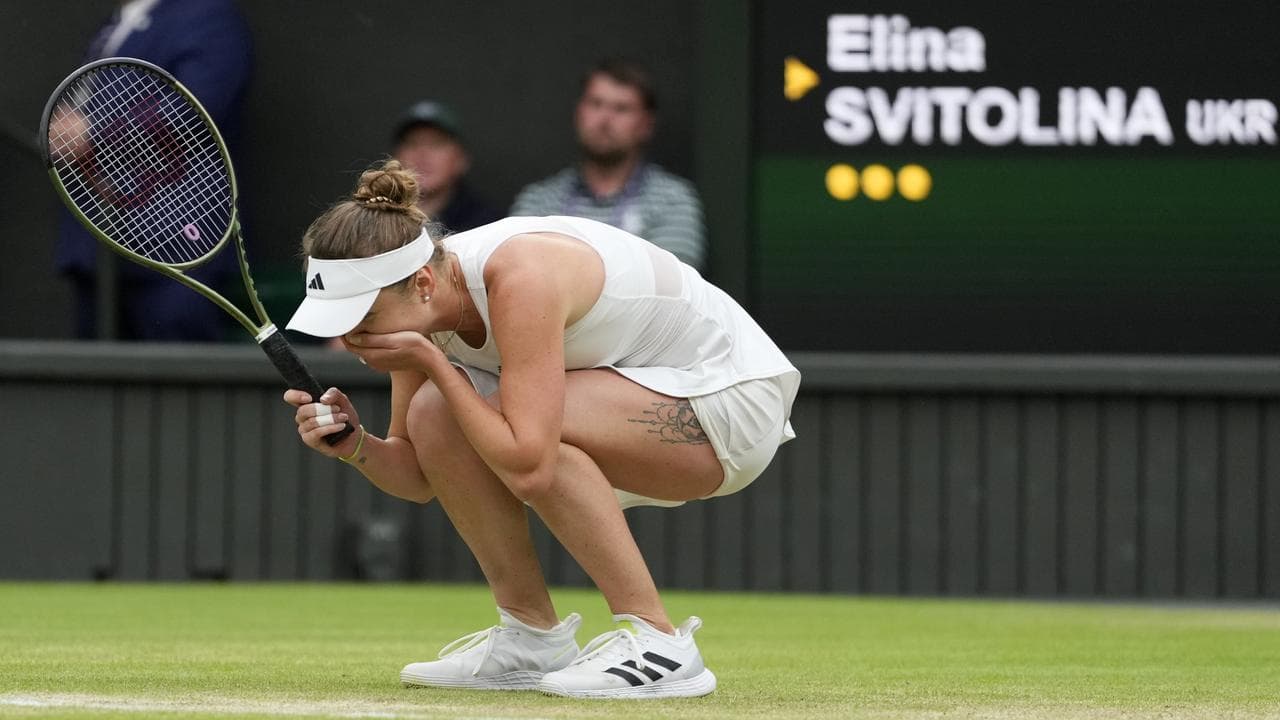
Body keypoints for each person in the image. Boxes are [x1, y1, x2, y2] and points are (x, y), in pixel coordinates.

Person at [281, 160, 798, 699]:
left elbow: (528, 465)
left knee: (524, 432)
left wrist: (432, 362)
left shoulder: (520, 277)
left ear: (424, 283)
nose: (352, 338)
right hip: (636, 404)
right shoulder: (420, 304)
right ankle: (531, 638)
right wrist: (355, 444)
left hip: (731, 403)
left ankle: (662, 644)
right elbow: (419, 476)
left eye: (363, 316)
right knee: (435, 412)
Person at [56, 0, 252, 340]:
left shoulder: (207, 15)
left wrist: (93, 133)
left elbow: (195, 108)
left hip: (174, 240)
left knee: (179, 362)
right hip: (100, 246)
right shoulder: (117, 23)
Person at [511, 58, 707, 274]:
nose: (605, 119)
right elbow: (516, 271)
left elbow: (669, 282)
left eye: (621, 109)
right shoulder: (539, 200)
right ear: (578, 113)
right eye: (596, 104)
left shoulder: (672, 200)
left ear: (646, 125)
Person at [391, 100, 501, 232]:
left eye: (436, 144)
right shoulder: (373, 216)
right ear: (395, 158)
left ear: (461, 159)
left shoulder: (488, 226)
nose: (422, 154)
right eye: (412, 144)